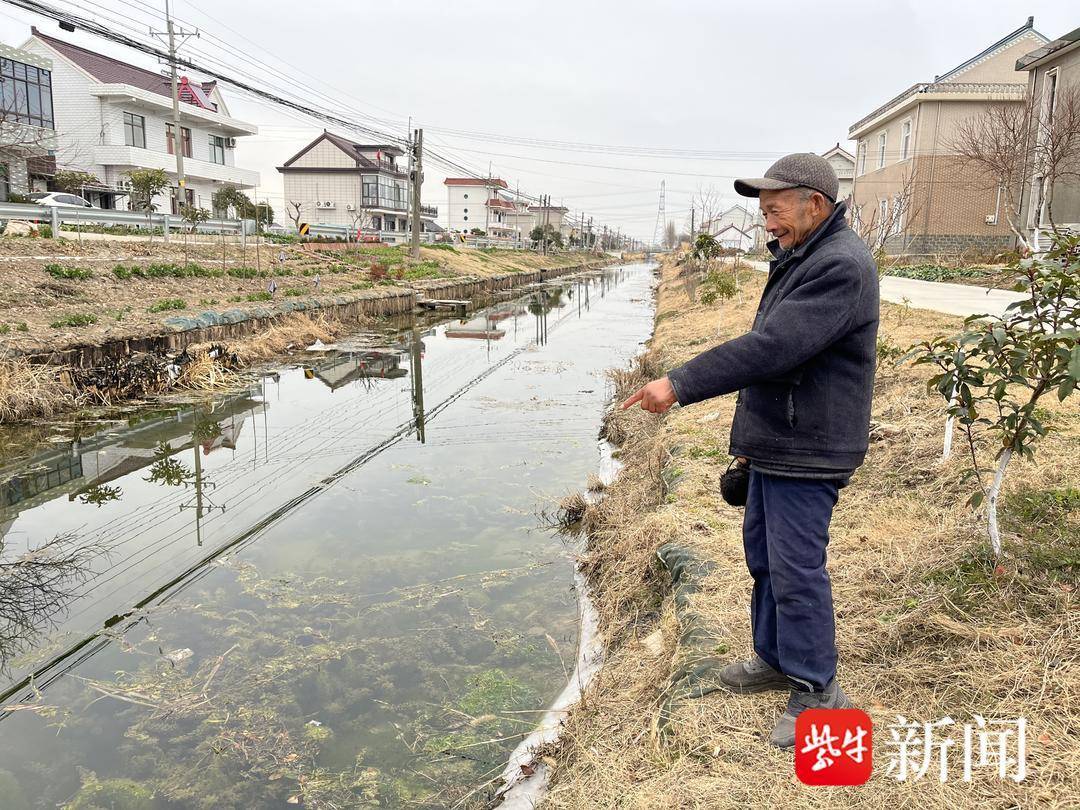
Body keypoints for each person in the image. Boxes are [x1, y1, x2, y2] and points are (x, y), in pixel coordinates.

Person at [621, 153, 879, 748]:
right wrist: (748, 448)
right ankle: (773, 657)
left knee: (796, 569)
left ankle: (817, 688)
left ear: (815, 204)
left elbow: (771, 350)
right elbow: (773, 356)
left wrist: (680, 383)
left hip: (809, 446)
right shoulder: (802, 255)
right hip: (779, 441)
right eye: (763, 212)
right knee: (763, 558)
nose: (768, 222)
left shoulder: (839, 265)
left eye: (776, 210)